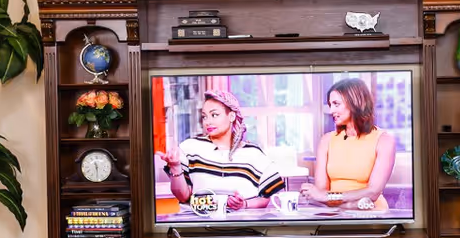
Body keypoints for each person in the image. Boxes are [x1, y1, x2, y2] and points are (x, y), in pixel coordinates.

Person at [157, 90, 285, 211]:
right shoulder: (189, 148)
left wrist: (244, 204)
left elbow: (264, 199)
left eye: (214, 115)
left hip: (240, 226)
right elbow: (183, 196)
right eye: (204, 117)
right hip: (198, 226)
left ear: (231, 116)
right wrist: (175, 167)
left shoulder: (253, 153)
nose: (208, 122)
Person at [301, 77, 397, 211]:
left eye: (336, 104)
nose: (331, 111)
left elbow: (373, 192)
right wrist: (350, 205)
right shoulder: (326, 140)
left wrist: (329, 198)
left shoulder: (384, 140)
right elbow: (320, 192)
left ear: (354, 102)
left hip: (370, 214)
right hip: (335, 213)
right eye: (330, 105)